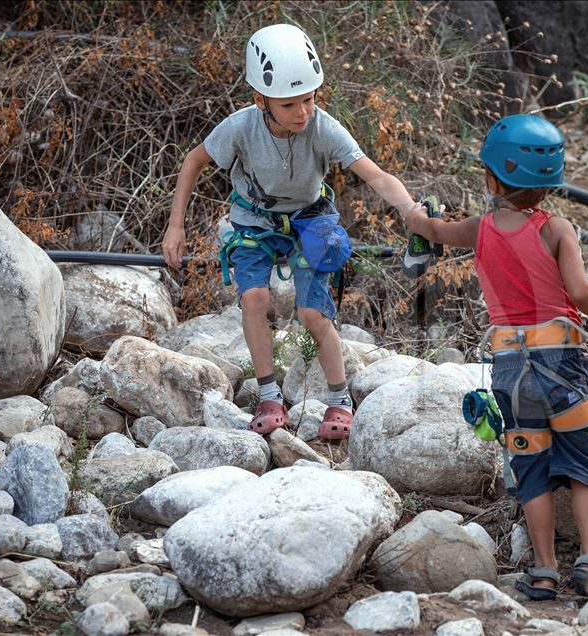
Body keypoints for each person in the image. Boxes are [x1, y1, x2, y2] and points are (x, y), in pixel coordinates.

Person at [163, 23, 424, 440]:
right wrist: (175, 226)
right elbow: (193, 161)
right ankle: (269, 395)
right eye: (289, 104)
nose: (303, 111)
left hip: (310, 219)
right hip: (254, 222)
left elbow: (375, 175)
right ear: (260, 100)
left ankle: (340, 401)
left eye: (309, 98)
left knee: (312, 313)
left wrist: (411, 210)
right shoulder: (241, 127)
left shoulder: (322, 127)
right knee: (254, 297)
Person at [405, 113, 588, 601]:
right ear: (549, 185)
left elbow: (433, 230)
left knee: (531, 468)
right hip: (562, 362)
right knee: (584, 462)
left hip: (508, 370)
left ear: (492, 176)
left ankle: (543, 570)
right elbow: (582, 292)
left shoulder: (479, 230)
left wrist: (416, 218)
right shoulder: (557, 229)